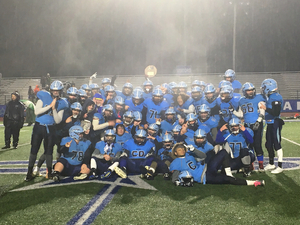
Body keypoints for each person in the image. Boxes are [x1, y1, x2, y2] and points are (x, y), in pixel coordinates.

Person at [170, 143, 265, 187]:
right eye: (179, 150)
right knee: (229, 180)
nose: (182, 150)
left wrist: (193, 150)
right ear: (175, 153)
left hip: (207, 167)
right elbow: (174, 176)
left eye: (182, 149)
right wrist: (177, 182)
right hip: (205, 178)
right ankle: (255, 182)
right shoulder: (175, 163)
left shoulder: (189, 154)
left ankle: (228, 173)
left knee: (223, 152)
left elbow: (203, 156)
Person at [25, 80, 66, 181]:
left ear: (61, 91)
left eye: (57, 90)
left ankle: (49, 172)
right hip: (39, 127)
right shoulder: (44, 97)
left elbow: (57, 120)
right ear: (51, 90)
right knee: (34, 149)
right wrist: (49, 106)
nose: (55, 92)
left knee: (49, 151)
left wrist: (53, 109)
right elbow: (36, 111)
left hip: (51, 127)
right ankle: (29, 172)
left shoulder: (62, 102)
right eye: (54, 90)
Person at [239, 82, 266, 171]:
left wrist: (258, 121)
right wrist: (233, 111)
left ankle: (261, 165)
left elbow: (262, 110)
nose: (250, 92)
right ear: (244, 91)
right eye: (248, 90)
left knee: (257, 144)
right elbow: (240, 114)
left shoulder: (259, 97)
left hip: (257, 123)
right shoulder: (241, 100)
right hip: (247, 124)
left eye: (251, 90)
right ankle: (251, 164)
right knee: (249, 145)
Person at [260, 78, 284, 174]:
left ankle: (280, 166)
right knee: (268, 144)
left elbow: (275, 112)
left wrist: (265, 108)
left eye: (264, 87)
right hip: (270, 123)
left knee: (277, 144)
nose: (263, 89)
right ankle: (271, 163)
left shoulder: (276, 97)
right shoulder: (270, 97)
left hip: (275, 122)